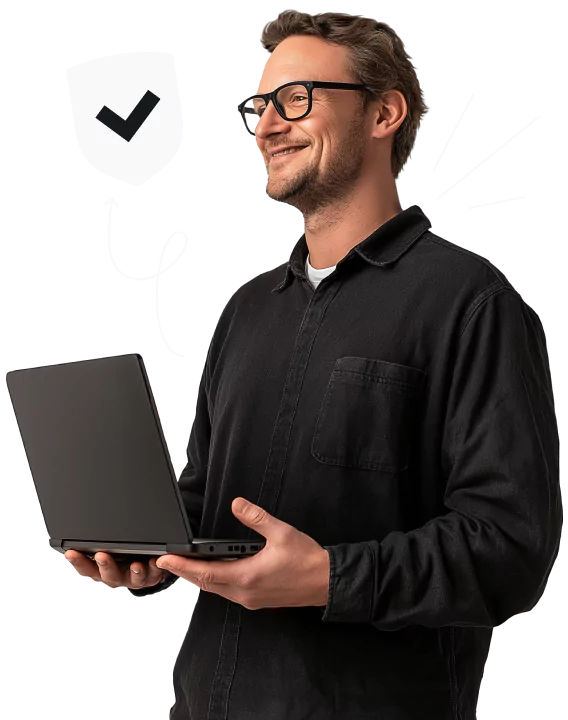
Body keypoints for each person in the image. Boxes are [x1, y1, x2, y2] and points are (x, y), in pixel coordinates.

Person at [68, 10, 562, 719]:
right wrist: (152, 547)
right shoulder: (247, 311)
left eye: (295, 99)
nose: (267, 126)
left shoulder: (469, 303)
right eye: (260, 106)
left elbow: (509, 550)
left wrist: (332, 578)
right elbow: (220, 500)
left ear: (385, 112)